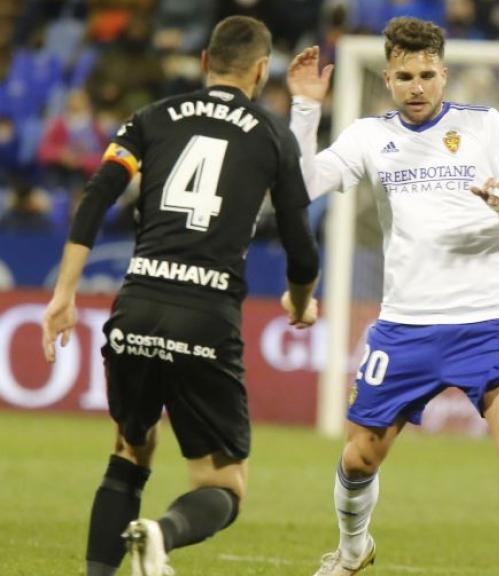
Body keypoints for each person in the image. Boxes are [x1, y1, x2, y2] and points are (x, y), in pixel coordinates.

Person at [41, 16, 320, 576]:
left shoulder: (152, 117)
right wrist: (297, 299)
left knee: (129, 451)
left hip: (137, 304)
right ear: (262, 70)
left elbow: (96, 198)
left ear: (203, 63)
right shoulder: (271, 134)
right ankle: (160, 535)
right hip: (205, 318)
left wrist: (64, 295)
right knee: (224, 484)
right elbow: (302, 250)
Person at [286, 17, 499, 576]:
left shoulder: (484, 126)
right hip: (407, 323)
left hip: (490, 316)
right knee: (360, 456)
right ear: (387, 77)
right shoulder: (369, 136)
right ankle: (353, 548)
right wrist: (307, 109)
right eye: (405, 75)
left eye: (427, 74)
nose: (417, 86)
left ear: (444, 74)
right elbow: (302, 185)